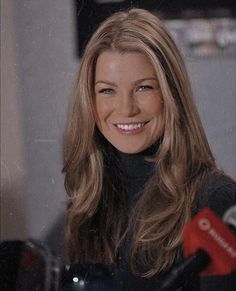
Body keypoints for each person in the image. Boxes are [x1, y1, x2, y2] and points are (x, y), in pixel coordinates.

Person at [62, 8, 236, 291]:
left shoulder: (216, 202)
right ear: (89, 102)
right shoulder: (88, 203)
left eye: (144, 88)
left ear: (171, 95)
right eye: (107, 90)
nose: (126, 108)